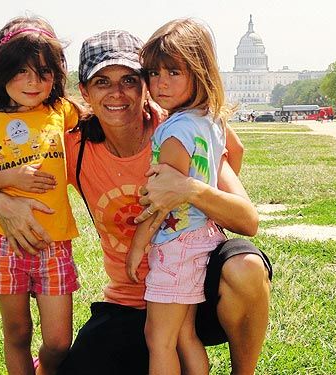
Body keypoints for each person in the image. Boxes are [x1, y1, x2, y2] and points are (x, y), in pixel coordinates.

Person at [0, 29, 272, 375]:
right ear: (84, 92)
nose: (117, 93)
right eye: (102, 82)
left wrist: (189, 189)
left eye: (129, 79)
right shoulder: (74, 146)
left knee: (245, 266)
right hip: (129, 302)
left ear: (144, 87)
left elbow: (247, 220)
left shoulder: (177, 132)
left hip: (194, 288)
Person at [0, 16, 81, 375]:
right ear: (2, 73)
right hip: (3, 241)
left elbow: (93, 115)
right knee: (18, 333)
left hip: (54, 243)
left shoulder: (61, 112)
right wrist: (11, 178)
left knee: (59, 341)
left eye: (43, 73)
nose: (33, 82)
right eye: (22, 71)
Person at [125, 19, 240, 375]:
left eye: (173, 72)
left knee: (158, 338)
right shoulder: (210, 120)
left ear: (199, 72)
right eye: (152, 73)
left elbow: (162, 200)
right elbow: (236, 154)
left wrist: (138, 245)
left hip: (175, 244)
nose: (160, 83)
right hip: (202, 238)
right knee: (185, 336)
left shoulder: (173, 131)